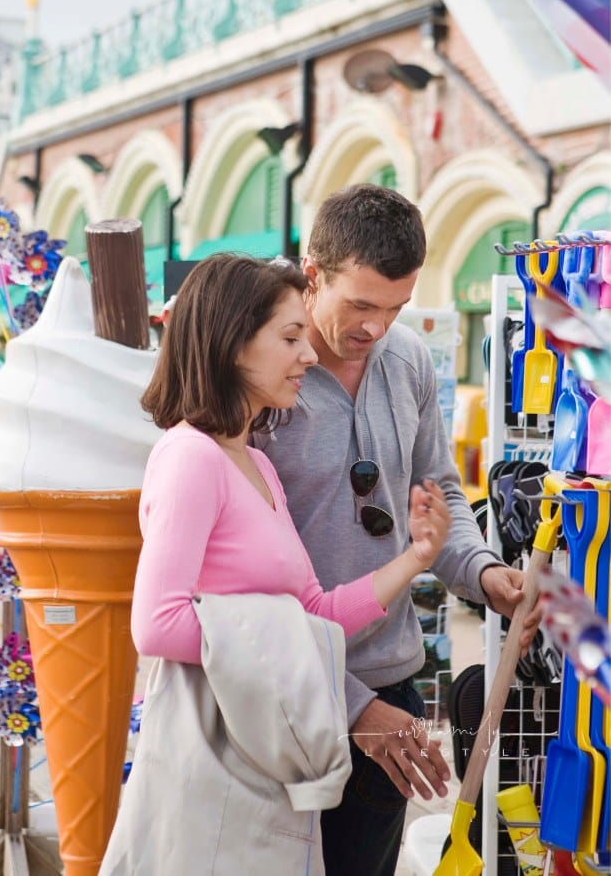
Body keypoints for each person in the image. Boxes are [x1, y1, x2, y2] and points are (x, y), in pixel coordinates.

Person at [103, 253, 450, 874]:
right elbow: (156, 625)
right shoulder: (190, 457)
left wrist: (417, 558)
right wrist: (292, 648)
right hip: (219, 755)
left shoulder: (255, 463)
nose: (308, 355)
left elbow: (313, 614)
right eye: (290, 338)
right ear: (232, 343)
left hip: (267, 751)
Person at [259, 184, 531, 876]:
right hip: (282, 694)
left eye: (396, 307)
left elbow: (436, 489)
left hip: (394, 689)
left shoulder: (407, 357)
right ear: (312, 274)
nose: (376, 328)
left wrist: (481, 572)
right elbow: (236, 581)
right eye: (360, 305)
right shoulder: (263, 370)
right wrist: (351, 707)